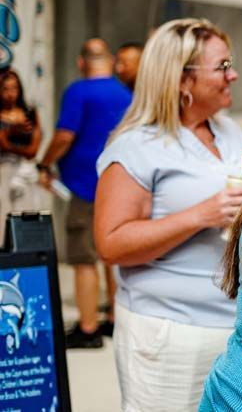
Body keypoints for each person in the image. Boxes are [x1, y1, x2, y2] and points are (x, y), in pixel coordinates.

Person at [94, 18, 242, 411]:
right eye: (221, 67)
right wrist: (200, 215)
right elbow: (111, 244)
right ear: (183, 80)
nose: (233, 75)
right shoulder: (137, 147)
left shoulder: (230, 132)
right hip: (171, 333)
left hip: (235, 327)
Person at [37, 38, 131, 348]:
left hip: (83, 186)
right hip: (117, 184)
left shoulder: (78, 91)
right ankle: (114, 320)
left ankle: (88, 328)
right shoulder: (125, 93)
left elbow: (65, 135)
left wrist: (44, 163)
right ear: (111, 61)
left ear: (81, 63)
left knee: (83, 257)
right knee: (111, 254)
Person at [0, 69, 42, 240]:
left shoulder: (29, 113)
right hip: (3, 171)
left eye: (14, 88)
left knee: (25, 214)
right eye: (5, 89)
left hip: (24, 172)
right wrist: (10, 133)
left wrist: (9, 144)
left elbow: (32, 150)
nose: (10, 94)